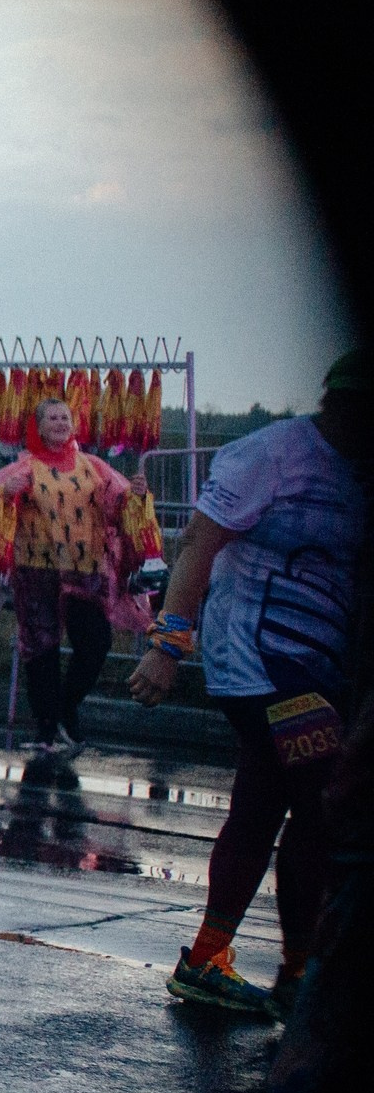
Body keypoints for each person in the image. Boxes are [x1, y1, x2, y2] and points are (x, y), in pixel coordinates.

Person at [129, 352, 367, 1017]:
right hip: (258, 661)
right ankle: (301, 973)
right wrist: (168, 647)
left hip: (322, 666)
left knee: (263, 805)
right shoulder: (274, 455)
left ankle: (209, 959)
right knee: (325, 796)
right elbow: (197, 544)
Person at [0, 397, 151, 755]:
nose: (60, 423)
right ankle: (45, 729)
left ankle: (65, 709)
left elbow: (118, 504)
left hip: (84, 571)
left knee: (96, 643)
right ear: (39, 428)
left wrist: (134, 496)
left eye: (65, 417)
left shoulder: (93, 467)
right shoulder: (26, 467)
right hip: (37, 570)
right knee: (41, 647)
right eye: (52, 418)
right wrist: (6, 495)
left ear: (73, 424)